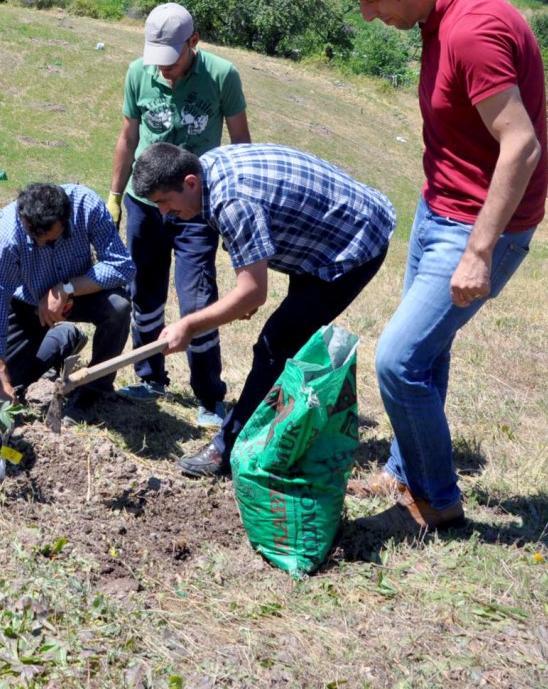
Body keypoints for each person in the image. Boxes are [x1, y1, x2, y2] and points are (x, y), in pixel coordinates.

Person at [339, 0, 548, 533]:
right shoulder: (438, 16)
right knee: (425, 356)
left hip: (478, 226)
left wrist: (479, 251)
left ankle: (437, 503)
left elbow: (521, 144)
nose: (368, 15)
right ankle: (405, 472)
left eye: (371, 0)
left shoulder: (471, 29)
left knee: (398, 360)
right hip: (441, 209)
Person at [132, 142, 396, 478]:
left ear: (190, 183)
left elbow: (254, 292)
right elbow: (250, 285)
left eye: (165, 202)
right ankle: (288, 429)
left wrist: (190, 325)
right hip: (319, 237)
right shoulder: (206, 168)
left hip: (353, 242)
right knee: (287, 342)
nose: (163, 214)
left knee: (275, 346)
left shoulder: (232, 201)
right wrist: (244, 298)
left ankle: (228, 447)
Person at [108, 2, 251, 428]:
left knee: (197, 298)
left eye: (171, 59)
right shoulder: (138, 74)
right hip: (145, 204)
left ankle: (209, 397)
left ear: (194, 42)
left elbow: (241, 143)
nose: (163, 68)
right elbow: (128, 136)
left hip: (196, 208)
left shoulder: (222, 76)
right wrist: (115, 195)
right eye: (157, 59)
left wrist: (236, 215)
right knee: (145, 292)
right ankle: (150, 377)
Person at [0, 182, 135, 410]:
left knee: (118, 307)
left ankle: (95, 389)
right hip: (29, 301)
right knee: (13, 380)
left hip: (79, 292)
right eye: (34, 238)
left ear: (66, 218)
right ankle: (65, 338)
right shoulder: (6, 237)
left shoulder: (86, 206)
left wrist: (65, 288)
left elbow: (122, 265)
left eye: (49, 239)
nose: (40, 243)